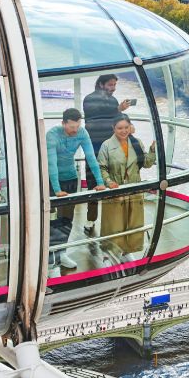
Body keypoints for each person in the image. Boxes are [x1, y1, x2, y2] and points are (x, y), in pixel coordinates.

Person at [46, 108, 106, 276]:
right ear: (63, 123)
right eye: (71, 127)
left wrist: (100, 182)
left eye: (77, 126)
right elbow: (51, 164)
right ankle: (49, 260)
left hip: (71, 178)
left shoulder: (82, 132)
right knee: (49, 220)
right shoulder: (52, 135)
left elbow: (91, 158)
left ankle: (61, 253)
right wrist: (57, 190)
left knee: (66, 219)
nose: (75, 130)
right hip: (51, 180)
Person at [97, 114, 156, 263]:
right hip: (115, 189)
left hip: (134, 188)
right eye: (119, 128)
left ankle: (127, 250)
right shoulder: (106, 145)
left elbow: (146, 164)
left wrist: (153, 150)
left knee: (132, 220)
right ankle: (110, 250)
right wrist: (109, 182)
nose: (123, 131)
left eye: (126, 127)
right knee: (114, 222)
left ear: (130, 127)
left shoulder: (136, 143)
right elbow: (101, 167)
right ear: (113, 128)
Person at [82, 74, 135, 232]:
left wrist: (126, 122)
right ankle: (91, 220)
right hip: (94, 147)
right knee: (94, 183)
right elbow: (96, 115)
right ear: (100, 84)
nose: (113, 88)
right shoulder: (90, 99)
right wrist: (118, 109)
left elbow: (117, 120)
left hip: (110, 147)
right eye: (110, 85)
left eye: (114, 85)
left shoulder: (112, 101)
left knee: (112, 180)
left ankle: (113, 220)